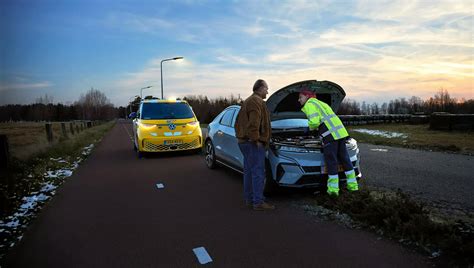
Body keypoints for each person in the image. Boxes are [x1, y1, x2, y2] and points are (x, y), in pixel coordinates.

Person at [298, 89, 359, 197]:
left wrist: (308, 129)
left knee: (332, 163)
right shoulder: (321, 103)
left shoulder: (309, 104)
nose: (299, 100)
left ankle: (333, 191)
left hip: (330, 136)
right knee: (345, 160)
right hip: (341, 133)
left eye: (300, 97)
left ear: (307, 96)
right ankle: (353, 187)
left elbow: (314, 122)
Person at [235, 79, 275, 211]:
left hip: (245, 142)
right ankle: (258, 202)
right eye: (266, 88)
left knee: (249, 171)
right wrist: (256, 140)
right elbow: (254, 123)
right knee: (258, 172)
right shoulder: (255, 101)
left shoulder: (249, 100)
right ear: (260, 88)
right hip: (252, 142)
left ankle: (250, 199)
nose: (267, 92)